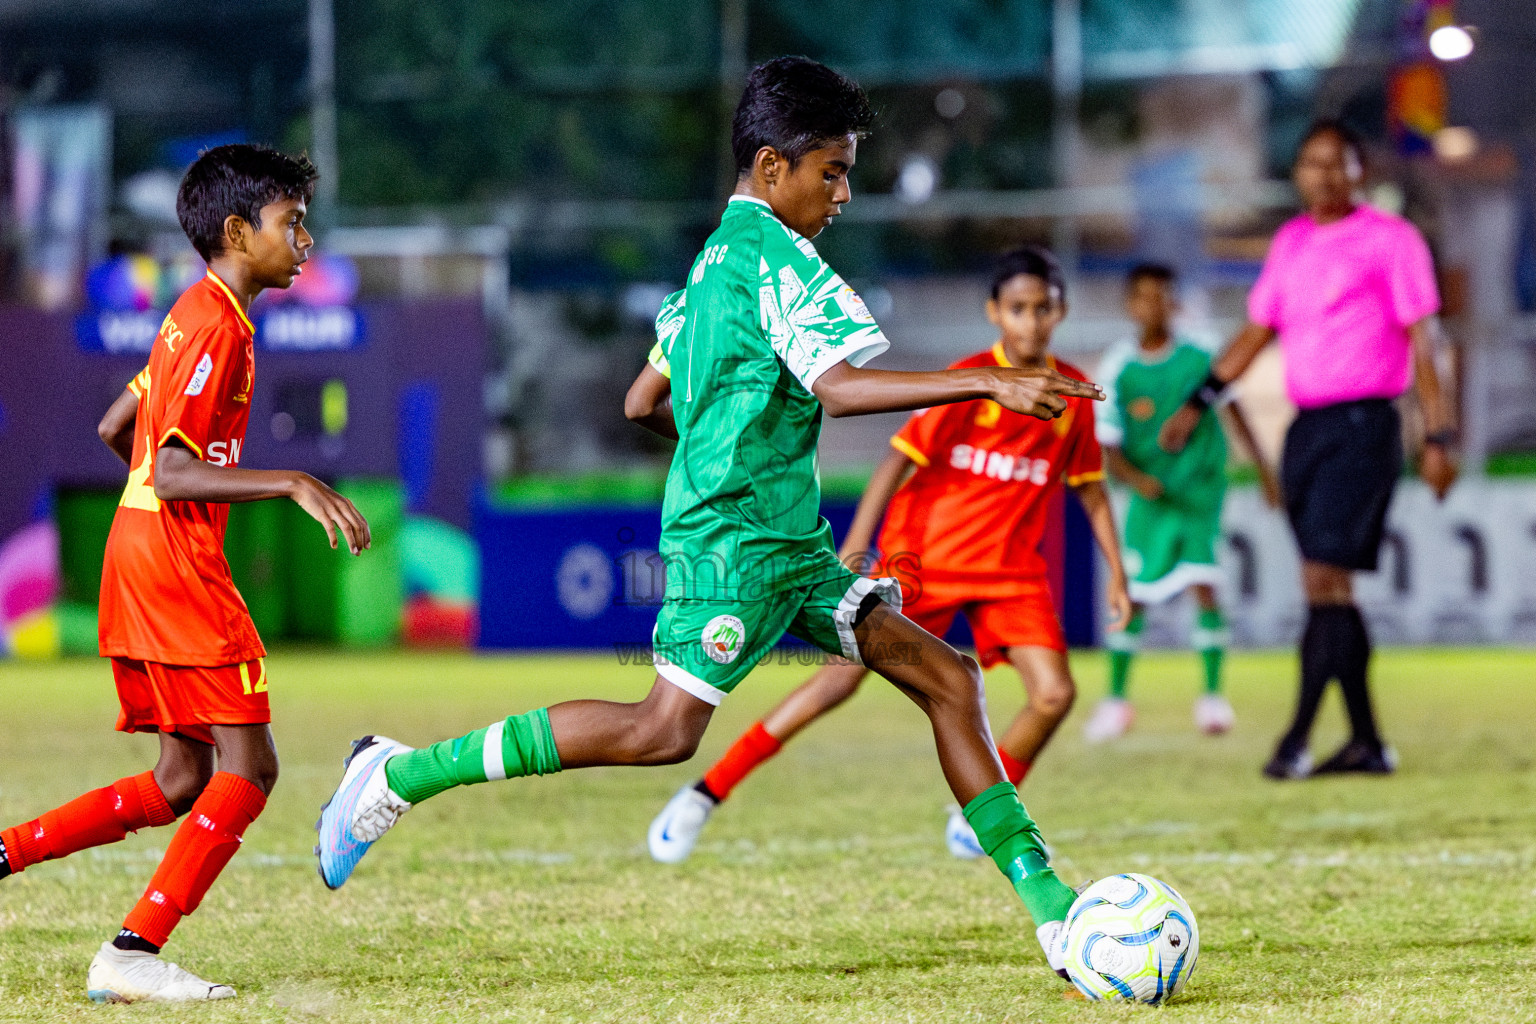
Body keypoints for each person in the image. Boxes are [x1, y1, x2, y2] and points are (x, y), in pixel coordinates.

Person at [315, 57, 1103, 979]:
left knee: (948, 677)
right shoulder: (781, 261)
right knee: (661, 731)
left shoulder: (710, 263)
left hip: (789, 548)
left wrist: (721, 444)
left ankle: (1054, 915)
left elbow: (642, 400)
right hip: (739, 550)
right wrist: (985, 378)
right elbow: (840, 390)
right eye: (832, 170)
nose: (844, 192)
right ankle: (398, 776)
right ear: (774, 167)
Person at [0, 144, 370, 1003]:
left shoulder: (191, 314)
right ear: (239, 233)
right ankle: (132, 951)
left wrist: (170, 498)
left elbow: (114, 425)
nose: (306, 241)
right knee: (251, 768)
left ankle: (6, 852)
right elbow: (166, 468)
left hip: (135, 552)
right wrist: (290, 479)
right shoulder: (215, 327)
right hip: (173, 559)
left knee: (182, 780)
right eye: (292, 224)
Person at [644, 244, 1130, 865]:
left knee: (1055, 694)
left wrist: (1117, 571)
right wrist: (856, 545)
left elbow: (1089, 487)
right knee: (836, 683)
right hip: (924, 562)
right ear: (994, 312)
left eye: (1044, 308)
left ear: (1060, 312)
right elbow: (894, 462)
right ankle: (705, 794)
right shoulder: (974, 381)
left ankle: (976, 815)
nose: (1031, 321)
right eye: (1018, 308)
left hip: (1010, 573)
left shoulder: (1065, 398)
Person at [1159, 119, 1457, 778]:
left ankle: (1294, 739)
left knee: (1324, 579)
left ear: (1360, 170)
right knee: (1328, 588)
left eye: (1336, 163)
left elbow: (1426, 341)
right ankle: (1367, 742)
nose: (1322, 175)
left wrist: (1439, 435)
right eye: (1310, 163)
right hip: (1308, 428)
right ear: (1296, 172)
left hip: (1364, 425)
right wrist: (1197, 401)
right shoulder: (1292, 242)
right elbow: (1257, 332)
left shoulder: (1391, 240)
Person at [1082, 263, 1279, 743]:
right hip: (1152, 499)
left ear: (1174, 302)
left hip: (1198, 493)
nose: (1155, 306)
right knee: (1134, 597)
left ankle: (1212, 698)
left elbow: (1233, 407)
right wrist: (1136, 480)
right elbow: (1108, 450)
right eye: (1145, 297)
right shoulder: (1117, 369)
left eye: (1163, 296)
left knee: (1205, 585)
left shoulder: (1201, 355)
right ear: (1130, 305)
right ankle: (1116, 701)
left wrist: (1264, 468)